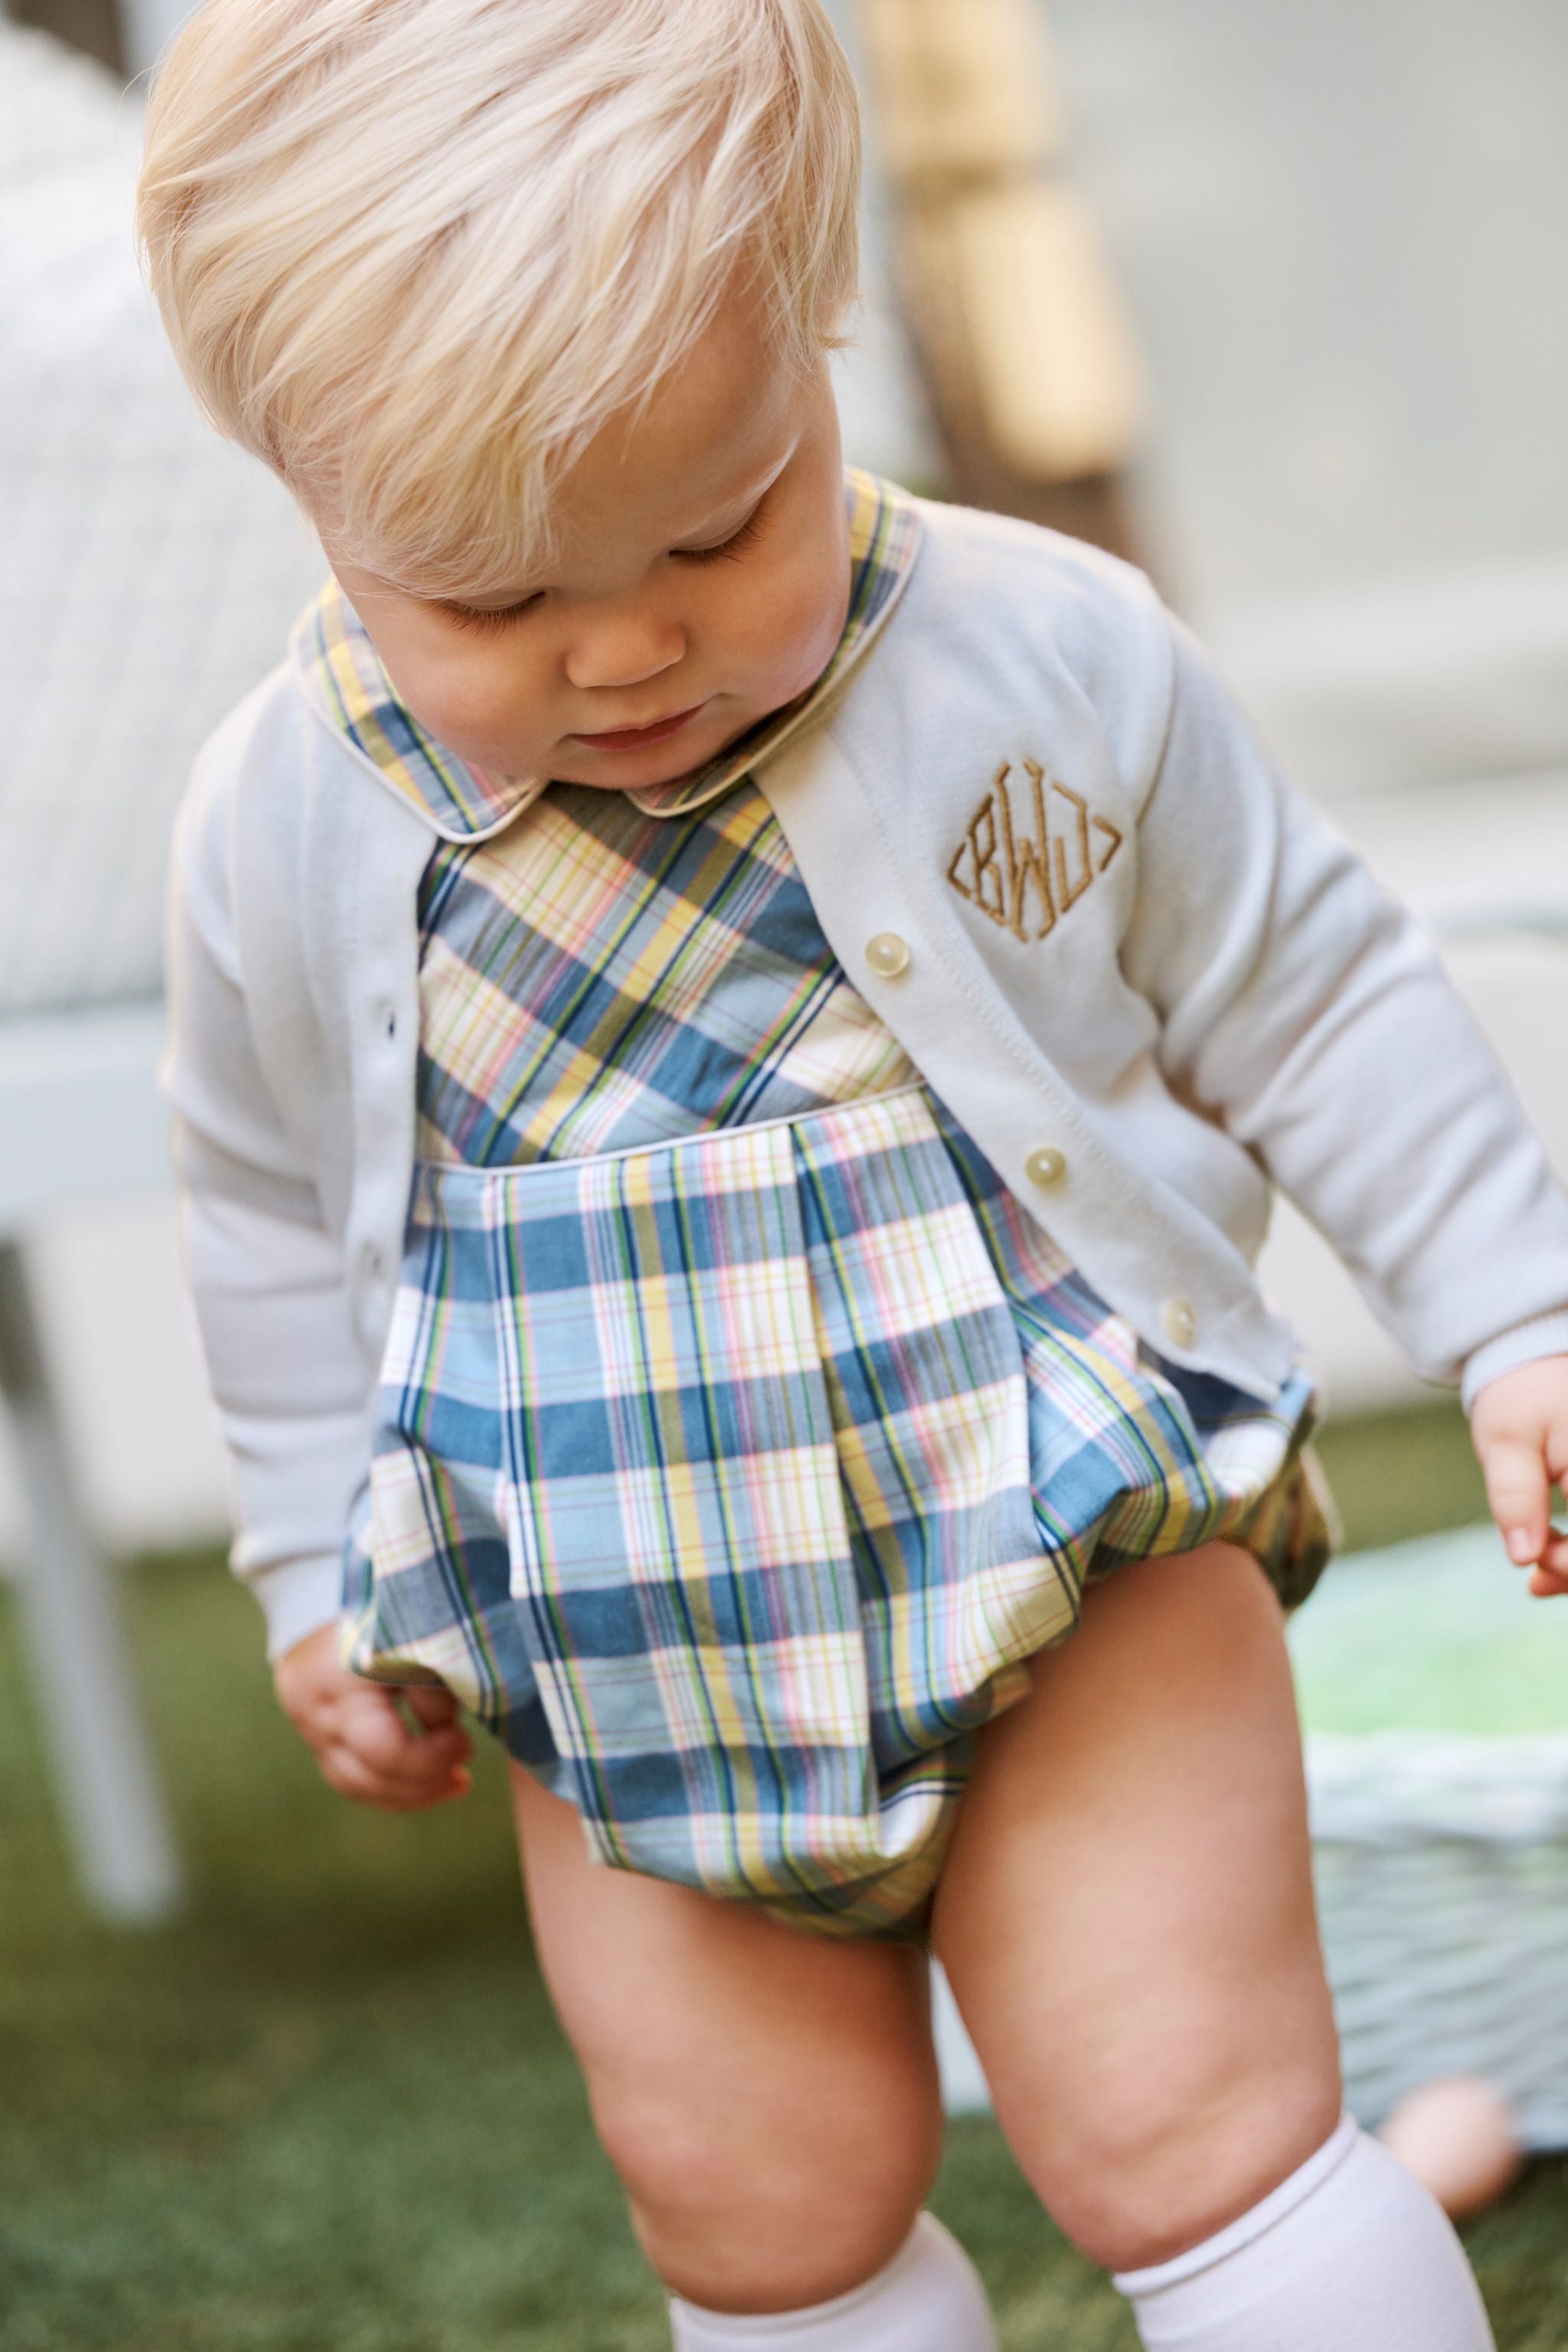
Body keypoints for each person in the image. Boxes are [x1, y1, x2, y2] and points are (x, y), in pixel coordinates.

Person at [136, 5, 1568, 2345]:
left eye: (718, 524)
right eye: (487, 601)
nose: (625, 646)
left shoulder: (1036, 656)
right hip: (617, 1644)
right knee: (756, 2214)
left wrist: (1514, 1310)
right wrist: (315, 1567)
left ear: (824, 330)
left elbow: (1307, 983)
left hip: (1062, 1540)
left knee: (1184, 2127)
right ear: (298, 484)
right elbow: (269, 1211)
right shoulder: (280, 818)